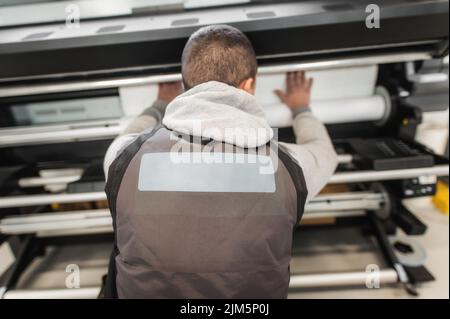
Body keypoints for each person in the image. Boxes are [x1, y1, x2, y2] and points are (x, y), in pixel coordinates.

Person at [103, 25, 338, 299]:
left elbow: (128, 137)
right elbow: (324, 151)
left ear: (184, 86)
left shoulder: (124, 157)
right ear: (249, 86)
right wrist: (301, 108)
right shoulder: (289, 167)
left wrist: (157, 106)